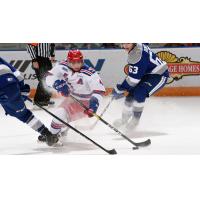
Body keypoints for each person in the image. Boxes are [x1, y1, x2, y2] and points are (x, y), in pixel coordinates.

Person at [38, 49, 105, 141]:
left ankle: (62, 130)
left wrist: (93, 105)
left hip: (86, 103)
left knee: (63, 117)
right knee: (59, 114)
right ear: (68, 61)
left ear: (82, 61)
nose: (76, 65)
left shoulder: (90, 74)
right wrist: (57, 84)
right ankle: (52, 135)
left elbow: (99, 91)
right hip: (72, 99)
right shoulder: (62, 66)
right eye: (73, 62)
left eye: (79, 62)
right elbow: (49, 77)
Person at [0, 57, 59, 146]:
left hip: (5, 89)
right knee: (24, 115)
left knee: (24, 115)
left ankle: (46, 134)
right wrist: (22, 89)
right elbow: (17, 73)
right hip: (11, 85)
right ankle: (47, 134)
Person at [112, 43, 169, 130]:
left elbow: (134, 80)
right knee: (130, 96)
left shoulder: (136, 55)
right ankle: (124, 119)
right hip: (147, 73)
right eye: (123, 43)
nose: (125, 46)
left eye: (128, 43)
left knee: (139, 93)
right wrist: (122, 89)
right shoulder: (137, 46)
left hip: (159, 75)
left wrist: (121, 88)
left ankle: (135, 120)